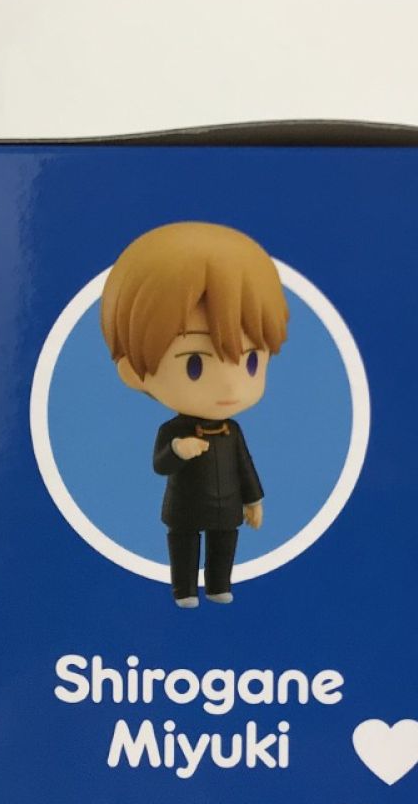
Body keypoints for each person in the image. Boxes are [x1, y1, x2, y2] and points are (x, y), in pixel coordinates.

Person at [100, 222, 289, 606]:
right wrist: (178, 450)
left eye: (251, 361)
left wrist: (253, 499)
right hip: (185, 508)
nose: (230, 388)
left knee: (224, 544)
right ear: (134, 370)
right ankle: (184, 589)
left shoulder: (232, 431)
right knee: (184, 546)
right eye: (195, 365)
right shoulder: (172, 429)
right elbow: (160, 464)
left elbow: (245, 466)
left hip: (227, 507)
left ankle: (219, 585)